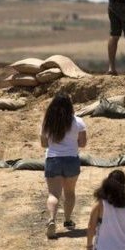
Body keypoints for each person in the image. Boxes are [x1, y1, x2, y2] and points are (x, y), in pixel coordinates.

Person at [40, 93, 87, 238]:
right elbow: (83, 144)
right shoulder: (78, 122)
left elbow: (43, 144)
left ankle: (52, 220)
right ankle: (67, 220)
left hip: (53, 159)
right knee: (70, 192)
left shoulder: (47, 122)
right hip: (71, 160)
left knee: (54, 194)